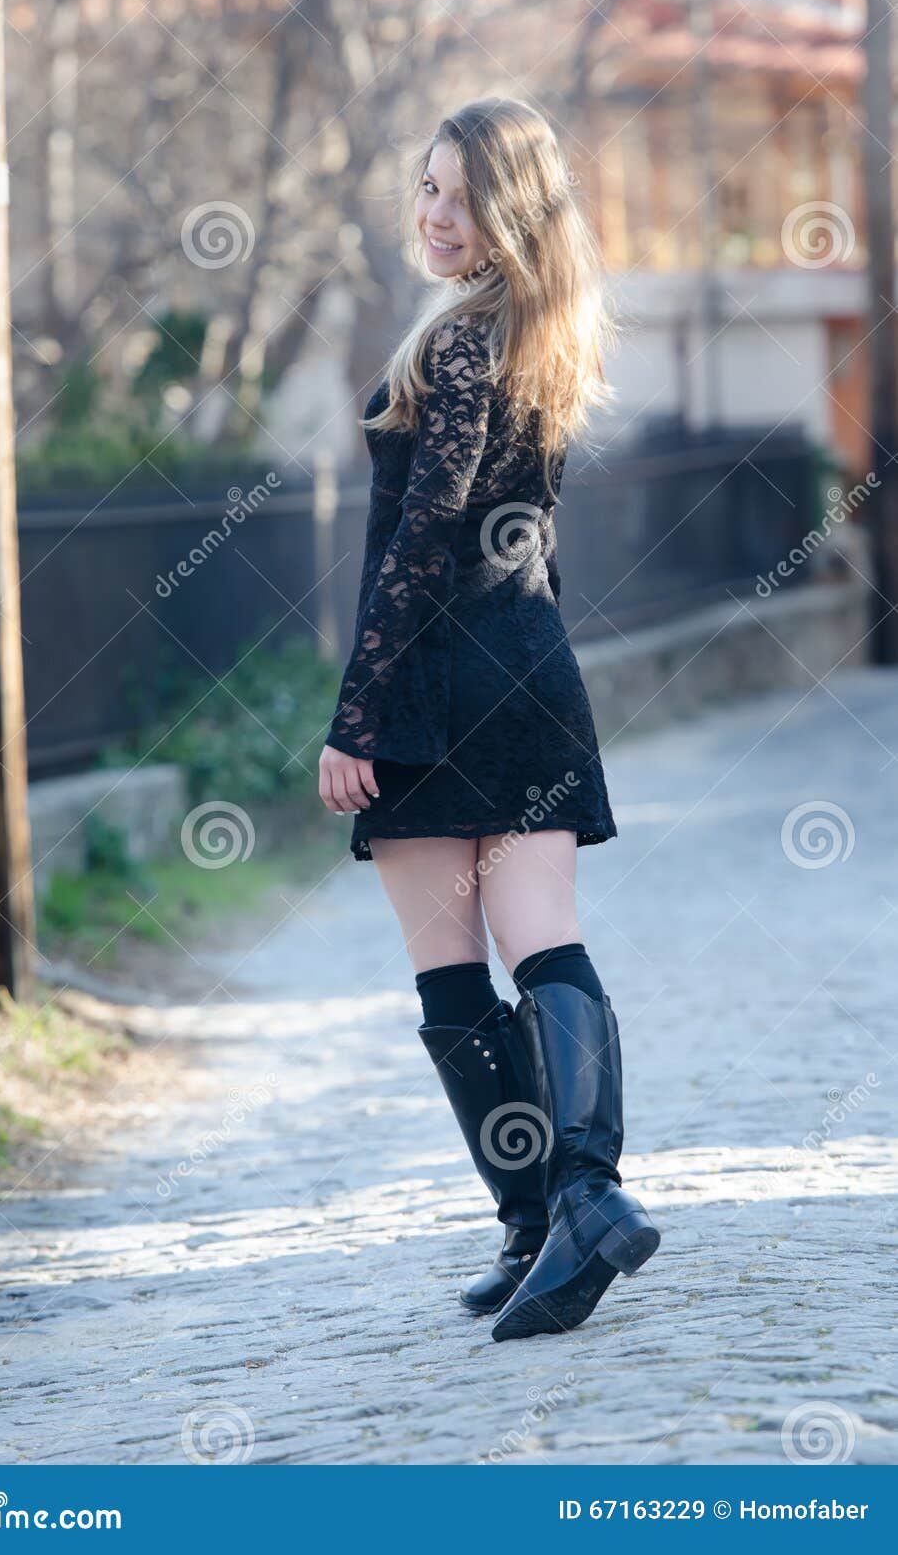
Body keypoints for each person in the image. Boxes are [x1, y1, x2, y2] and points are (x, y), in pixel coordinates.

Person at [318, 96, 659, 1342]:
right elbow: (528, 540)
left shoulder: (460, 344)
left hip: (436, 681)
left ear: (510, 211)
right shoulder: (539, 336)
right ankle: (567, 1209)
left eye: (459, 195)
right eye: (424, 187)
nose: (433, 213)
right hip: (526, 667)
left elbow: (422, 536)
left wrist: (357, 717)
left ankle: (548, 1207)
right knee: (543, 938)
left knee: (453, 967)